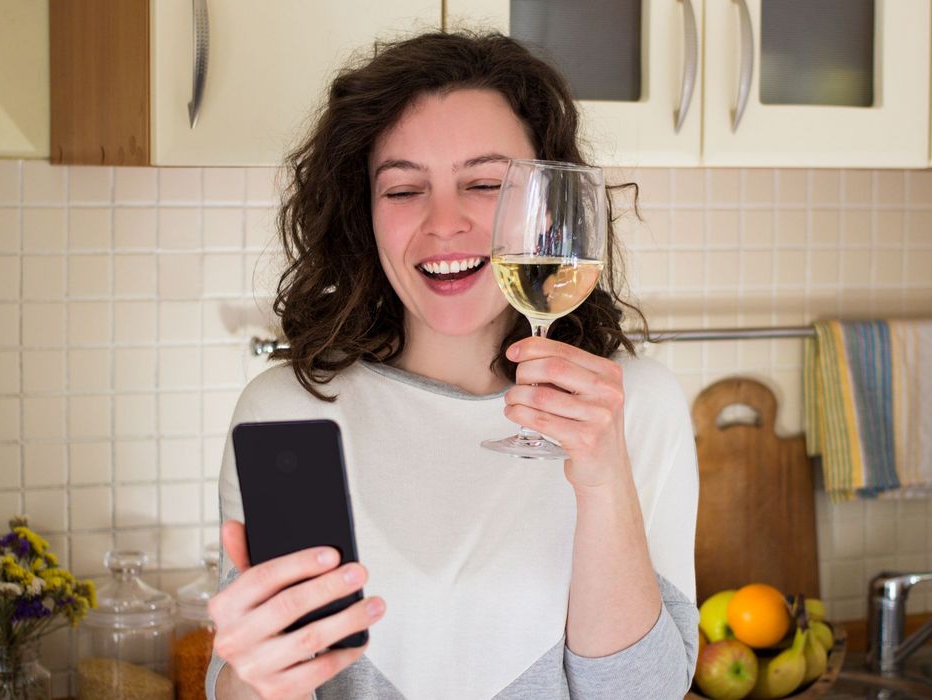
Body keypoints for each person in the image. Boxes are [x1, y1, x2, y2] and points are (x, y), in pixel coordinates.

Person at [205, 31, 699, 700]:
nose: (444, 223)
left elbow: (642, 695)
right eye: (404, 189)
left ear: (550, 204)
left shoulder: (634, 406)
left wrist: (604, 481)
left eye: (487, 182)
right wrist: (252, 677)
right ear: (364, 214)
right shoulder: (291, 414)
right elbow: (255, 683)